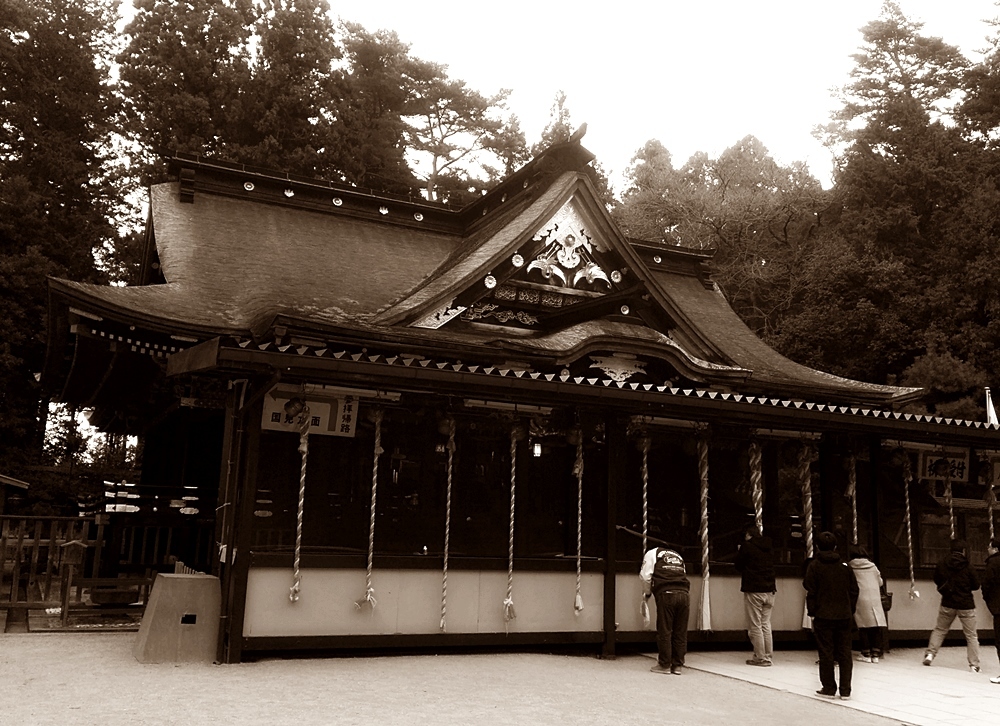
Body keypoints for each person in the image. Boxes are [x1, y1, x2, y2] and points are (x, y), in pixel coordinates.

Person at [804, 531, 859, 700]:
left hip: (823, 614)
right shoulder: (845, 566)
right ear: (835, 547)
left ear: (818, 547)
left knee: (826, 652)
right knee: (844, 652)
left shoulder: (814, 566)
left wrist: (812, 611)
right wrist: (850, 609)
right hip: (844, 614)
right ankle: (845, 690)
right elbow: (854, 590)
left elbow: (809, 588)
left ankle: (828, 687)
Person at [923, 539, 981, 672]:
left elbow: (936, 579)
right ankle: (974, 665)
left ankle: (930, 654)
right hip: (966, 604)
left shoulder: (942, 563)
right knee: (971, 635)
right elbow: (976, 585)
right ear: (964, 551)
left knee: (940, 630)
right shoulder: (968, 566)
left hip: (947, 602)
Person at [640, 544, 690, 675]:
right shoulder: (677, 555)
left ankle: (664, 664)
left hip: (666, 593)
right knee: (680, 631)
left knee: (665, 629)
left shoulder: (652, 553)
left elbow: (646, 576)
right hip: (684, 593)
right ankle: (678, 665)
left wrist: (647, 594)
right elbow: (683, 573)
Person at [734, 524, 776, 666]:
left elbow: (738, 565)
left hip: (754, 589)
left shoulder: (747, 546)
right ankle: (768, 655)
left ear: (748, 534)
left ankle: (760, 657)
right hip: (770, 589)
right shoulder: (769, 546)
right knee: (766, 624)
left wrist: (740, 551)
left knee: (755, 625)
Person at [848, 547, 886, 663]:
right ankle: (876, 653)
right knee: (875, 626)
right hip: (874, 597)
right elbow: (880, 582)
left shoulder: (850, 566)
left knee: (863, 626)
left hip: (860, 597)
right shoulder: (873, 566)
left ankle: (866, 653)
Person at [979, 539, 1000, 684]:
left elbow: (986, 584)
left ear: (995, 549)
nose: (988, 549)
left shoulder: (993, 563)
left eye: (989, 546)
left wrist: (988, 600)